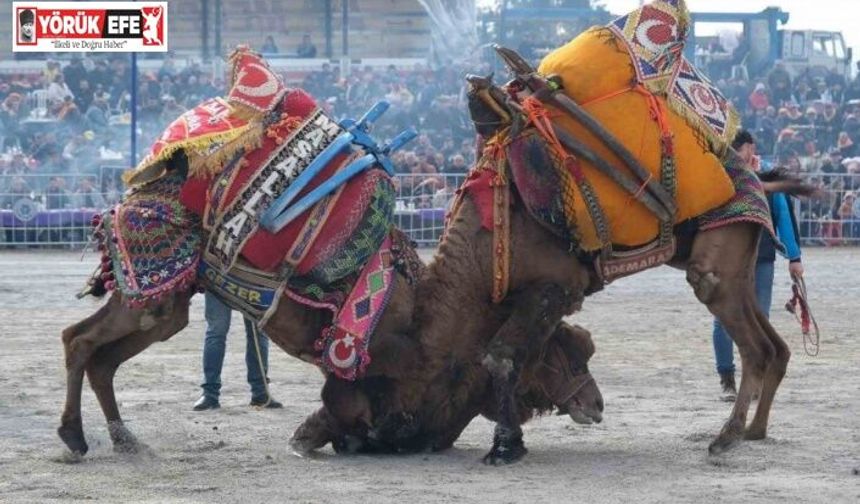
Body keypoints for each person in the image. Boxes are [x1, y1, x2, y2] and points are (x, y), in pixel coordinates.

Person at [712, 130, 804, 401]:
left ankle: (754, 378)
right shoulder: (719, 177)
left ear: (750, 148)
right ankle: (727, 377)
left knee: (760, 318)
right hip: (726, 259)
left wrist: (794, 258)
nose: (735, 156)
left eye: (738, 150)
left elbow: (783, 218)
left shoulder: (765, 179)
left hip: (762, 256)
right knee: (723, 319)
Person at [192, 292, 283, 410]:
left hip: (253, 280)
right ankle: (209, 394)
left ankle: (260, 392)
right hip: (218, 280)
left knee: (258, 333)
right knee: (216, 332)